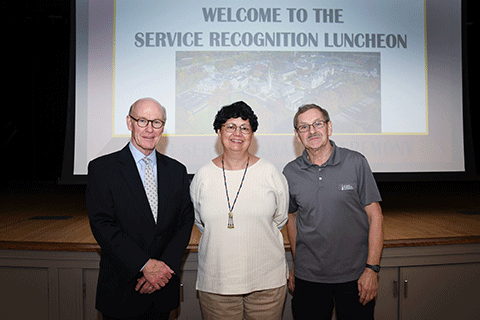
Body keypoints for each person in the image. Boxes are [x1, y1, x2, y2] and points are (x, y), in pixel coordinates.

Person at [86, 97, 194, 320]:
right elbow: (103, 226)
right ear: (129, 122)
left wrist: (161, 272)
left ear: (163, 127)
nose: (149, 129)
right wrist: (144, 266)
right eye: (142, 120)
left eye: (156, 122)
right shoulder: (102, 169)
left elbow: (184, 224)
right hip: (122, 288)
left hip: (163, 288)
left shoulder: (177, 171)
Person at [190, 101, 289, 320]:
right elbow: (201, 222)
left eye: (245, 128)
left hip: (267, 283)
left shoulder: (270, 173)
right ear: (219, 131)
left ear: (252, 134)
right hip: (217, 284)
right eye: (230, 126)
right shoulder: (203, 176)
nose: (238, 133)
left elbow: (280, 219)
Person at [283, 104, 384, 320]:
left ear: (329, 127)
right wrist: (296, 264)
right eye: (304, 127)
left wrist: (372, 269)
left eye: (318, 124)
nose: (312, 131)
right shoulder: (290, 172)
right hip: (308, 278)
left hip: (356, 277)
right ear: (297, 134)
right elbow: (291, 218)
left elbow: (375, 216)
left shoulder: (356, 162)